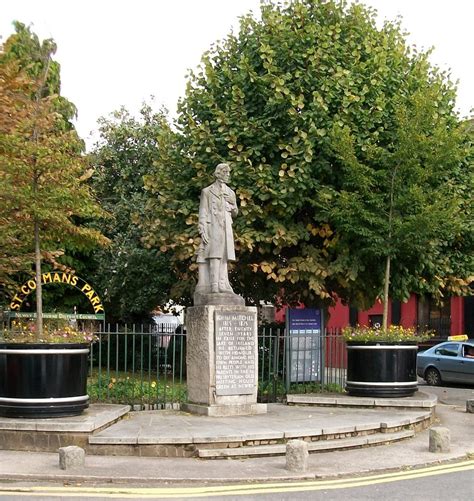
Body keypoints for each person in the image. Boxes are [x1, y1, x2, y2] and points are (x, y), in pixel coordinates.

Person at [196, 163, 238, 294]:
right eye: (226, 172)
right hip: (212, 225)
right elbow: (203, 211)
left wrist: (231, 206)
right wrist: (202, 229)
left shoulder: (230, 192)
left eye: (229, 172)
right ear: (219, 173)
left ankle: (223, 283)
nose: (228, 175)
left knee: (224, 255)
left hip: (226, 227)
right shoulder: (207, 191)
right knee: (214, 254)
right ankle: (214, 285)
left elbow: (236, 211)